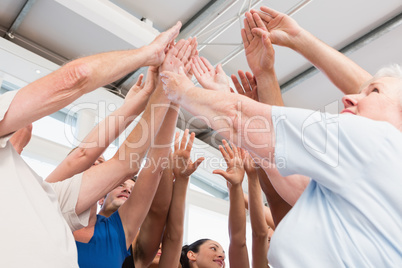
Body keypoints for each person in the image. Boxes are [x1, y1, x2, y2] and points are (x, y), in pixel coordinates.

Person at [159, 41, 402, 267]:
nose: (349, 97)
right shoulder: (371, 177)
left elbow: (237, 117)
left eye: (374, 92)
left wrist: (180, 88)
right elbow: (287, 176)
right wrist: (226, 96)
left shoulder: (377, 138)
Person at [0, 21, 181, 268]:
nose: (97, 161)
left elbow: (125, 163)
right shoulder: (46, 198)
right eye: (94, 161)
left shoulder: (49, 199)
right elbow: (83, 153)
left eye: (101, 162)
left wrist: (161, 93)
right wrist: (148, 56)